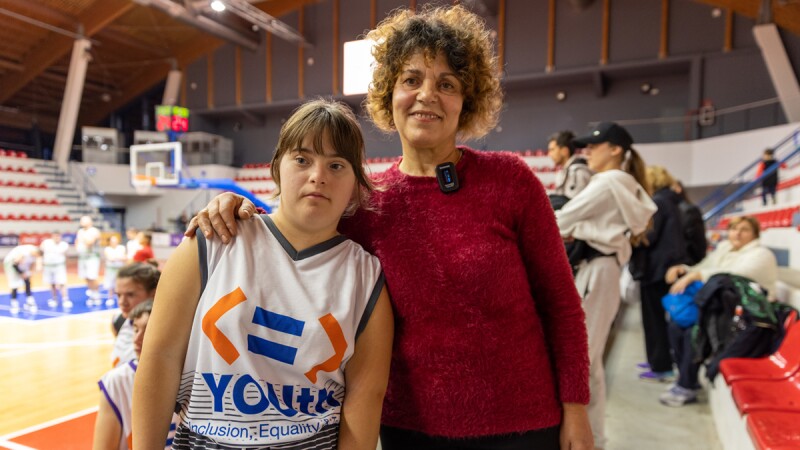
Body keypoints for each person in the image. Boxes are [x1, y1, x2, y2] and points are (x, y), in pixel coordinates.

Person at [186, 6, 593, 450]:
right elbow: (292, 235)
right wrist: (237, 208)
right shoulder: (363, 205)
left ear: (467, 100)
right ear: (389, 93)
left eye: (447, 84)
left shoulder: (511, 181)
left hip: (525, 425)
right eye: (411, 79)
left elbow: (561, 305)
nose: (427, 95)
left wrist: (576, 409)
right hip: (409, 430)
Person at [134, 99, 394, 450]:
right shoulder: (212, 241)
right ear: (276, 168)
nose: (318, 176)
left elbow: (365, 396)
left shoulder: (366, 276)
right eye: (302, 159)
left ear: (355, 184)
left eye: (336, 165)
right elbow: (160, 358)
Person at [555, 121, 657, 449]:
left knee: (582, 359)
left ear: (615, 150)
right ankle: (595, 438)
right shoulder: (622, 183)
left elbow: (560, 220)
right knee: (591, 361)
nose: (587, 152)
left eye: (594, 146)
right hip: (604, 269)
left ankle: (584, 438)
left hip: (597, 269)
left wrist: (569, 227)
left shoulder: (608, 183)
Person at [660, 216, 778, 406]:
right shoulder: (725, 248)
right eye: (734, 229)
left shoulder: (762, 254)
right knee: (676, 326)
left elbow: (732, 277)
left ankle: (686, 386)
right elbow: (704, 268)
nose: (737, 233)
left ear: (755, 234)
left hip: (747, 316)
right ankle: (686, 378)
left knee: (696, 331)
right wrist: (684, 269)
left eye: (744, 229)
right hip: (723, 308)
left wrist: (695, 276)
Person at [93, 300, 179, 449]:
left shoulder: (190, 376)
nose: (136, 339)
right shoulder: (117, 381)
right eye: (135, 329)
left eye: (148, 330)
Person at [633, 166, 688, 383]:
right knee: (658, 318)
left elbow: (648, 236)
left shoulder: (658, 202)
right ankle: (658, 360)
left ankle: (660, 365)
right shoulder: (670, 201)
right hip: (664, 267)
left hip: (655, 269)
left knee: (654, 319)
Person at [110, 263, 160, 368]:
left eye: (130, 295)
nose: (122, 302)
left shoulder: (164, 331)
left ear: (154, 294)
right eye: (118, 295)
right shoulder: (118, 320)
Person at [547, 130, 593, 208]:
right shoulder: (566, 171)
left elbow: (576, 205)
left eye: (552, 150)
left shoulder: (578, 172)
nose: (549, 154)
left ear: (564, 151)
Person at [671, 181, 707, 265]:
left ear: (678, 189)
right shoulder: (675, 210)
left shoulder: (688, 211)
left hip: (687, 262)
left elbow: (697, 243)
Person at [3, 244, 40, 314]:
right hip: (11, 264)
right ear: (35, 252)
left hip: (21, 265)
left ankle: (30, 301)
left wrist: (29, 273)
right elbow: (14, 264)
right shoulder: (24, 253)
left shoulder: (35, 255)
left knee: (27, 282)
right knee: (15, 284)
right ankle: (14, 304)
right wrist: (21, 273)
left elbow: (32, 266)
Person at [40, 232, 71, 309]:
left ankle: (65, 299)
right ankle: (54, 299)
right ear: (52, 237)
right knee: (52, 283)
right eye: (55, 236)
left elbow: (66, 255)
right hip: (48, 266)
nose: (57, 238)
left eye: (58, 236)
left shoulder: (64, 245)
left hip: (59, 266)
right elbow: (41, 252)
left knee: (62, 283)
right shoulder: (46, 243)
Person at [76, 215, 102, 306]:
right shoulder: (80, 231)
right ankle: (91, 295)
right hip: (83, 257)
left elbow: (89, 243)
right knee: (86, 277)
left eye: (83, 221)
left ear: (90, 222)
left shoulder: (94, 231)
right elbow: (77, 242)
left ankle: (96, 295)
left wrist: (83, 237)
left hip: (92, 257)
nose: (81, 222)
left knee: (92, 277)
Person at [103, 235, 128, 307]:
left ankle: (120, 298)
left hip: (120, 269)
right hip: (110, 269)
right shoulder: (107, 249)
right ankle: (110, 298)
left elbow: (124, 258)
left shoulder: (121, 248)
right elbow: (111, 258)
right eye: (112, 241)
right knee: (110, 284)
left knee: (120, 283)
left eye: (115, 240)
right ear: (109, 242)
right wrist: (118, 257)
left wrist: (116, 258)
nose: (114, 242)